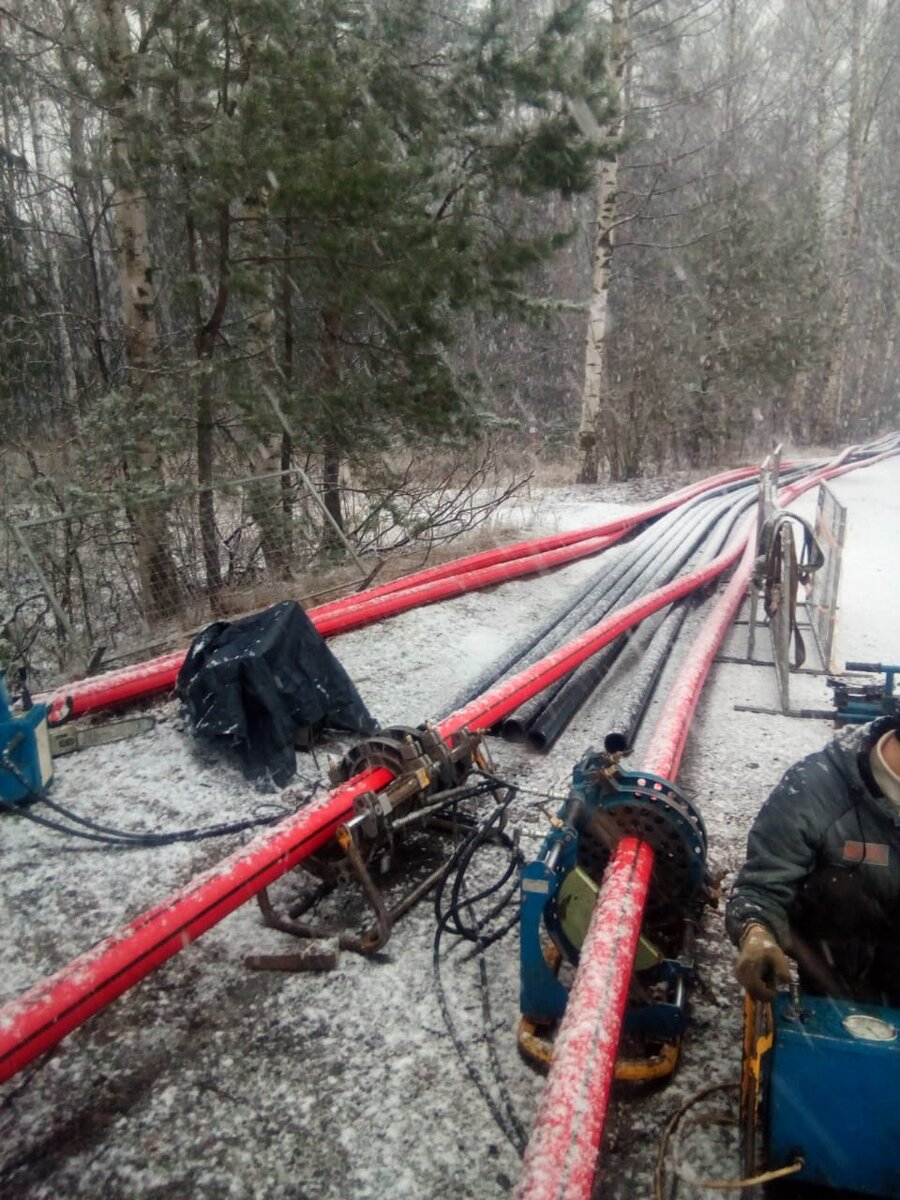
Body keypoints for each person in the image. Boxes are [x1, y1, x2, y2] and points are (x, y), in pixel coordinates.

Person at [726, 715, 900, 1006]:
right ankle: (837, 1015)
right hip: (841, 947)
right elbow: (762, 887)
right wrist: (756, 932)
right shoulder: (814, 788)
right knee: (836, 889)